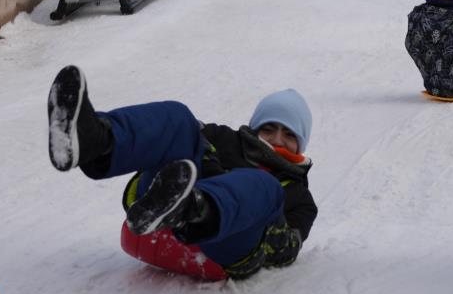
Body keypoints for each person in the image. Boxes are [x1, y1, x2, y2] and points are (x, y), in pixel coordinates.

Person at [46, 66, 317, 280]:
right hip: (152, 221)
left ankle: (195, 209)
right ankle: (96, 141)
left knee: (264, 185)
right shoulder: (223, 137)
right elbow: (190, 140)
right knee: (180, 118)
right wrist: (205, 160)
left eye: (289, 134)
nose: (277, 140)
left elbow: (286, 250)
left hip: (224, 248)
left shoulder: (299, 197)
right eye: (269, 128)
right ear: (255, 127)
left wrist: (266, 217)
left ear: (301, 144)